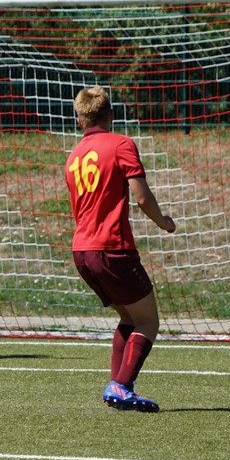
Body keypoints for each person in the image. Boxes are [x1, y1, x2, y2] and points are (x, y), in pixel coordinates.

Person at [64, 86, 176, 412]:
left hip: (82, 252)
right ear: (111, 115)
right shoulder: (120, 144)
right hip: (112, 248)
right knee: (148, 321)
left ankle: (117, 387)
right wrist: (163, 222)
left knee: (129, 317)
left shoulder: (73, 158)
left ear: (80, 120)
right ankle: (121, 386)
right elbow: (142, 197)